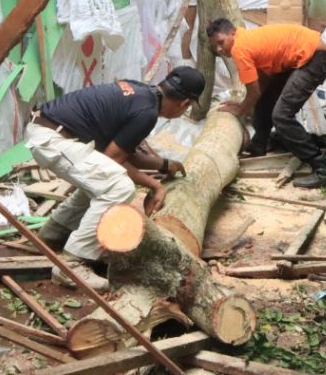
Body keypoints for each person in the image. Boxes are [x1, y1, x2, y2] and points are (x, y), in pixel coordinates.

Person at [26, 66, 207, 290]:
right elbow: (114, 158)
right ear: (184, 104)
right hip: (53, 140)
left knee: (100, 179)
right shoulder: (146, 113)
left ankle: (55, 233)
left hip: (49, 129)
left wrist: (166, 165)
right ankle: (72, 264)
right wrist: (155, 185)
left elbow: (125, 151)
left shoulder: (141, 92)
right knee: (118, 186)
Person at [206, 19, 326, 188]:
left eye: (221, 42)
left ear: (232, 33)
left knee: (282, 116)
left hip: (314, 56)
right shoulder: (247, 39)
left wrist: (241, 109)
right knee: (265, 100)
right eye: (215, 46)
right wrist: (245, 104)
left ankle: (323, 170)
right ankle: (259, 144)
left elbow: (253, 92)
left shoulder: (239, 48)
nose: (219, 49)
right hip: (310, 54)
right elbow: (260, 87)